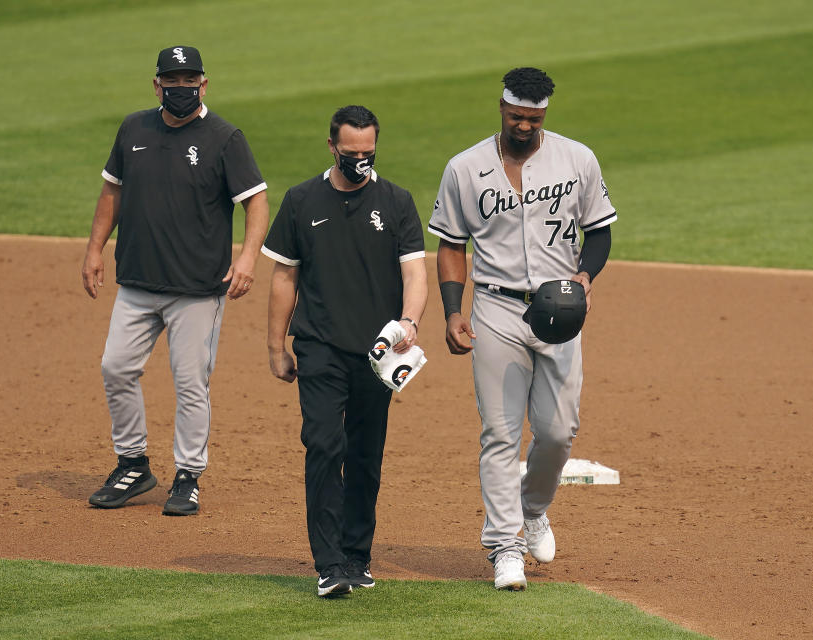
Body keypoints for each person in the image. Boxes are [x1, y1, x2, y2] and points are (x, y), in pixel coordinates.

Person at [428, 67, 616, 590]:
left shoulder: (577, 159)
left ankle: (534, 509)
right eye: (517, 118)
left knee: (558, 431)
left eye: (535, 119)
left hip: (560, 311)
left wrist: (584, 275)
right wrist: (451, 310)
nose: (526, 127)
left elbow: (598, 230)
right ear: (502, 109)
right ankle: (504, 545)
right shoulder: (465, 168)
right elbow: (450, 245)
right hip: (496, 309)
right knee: (500, 433)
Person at [82, 46, 269, 516]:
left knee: (190, 384)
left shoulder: (225, 137)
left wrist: (247, 258)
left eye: (190, 81)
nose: (181, 88)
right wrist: (93, 248)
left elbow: (257, 201)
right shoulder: (134, 128)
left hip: (197, 290)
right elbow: (112, 191)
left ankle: (188, 475)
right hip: (138, 282)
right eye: (172, 80)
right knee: (115, 367)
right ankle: (132, 463)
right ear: (157, 84)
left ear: (203, 84)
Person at [261, 105, 427, 597]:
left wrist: (410, 323)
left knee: (364, 456)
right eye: (351, 152)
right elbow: (284, 277)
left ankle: (357, 556)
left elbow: (414, 272)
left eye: (368, 152)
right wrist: (276, 346)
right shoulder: (301, 200)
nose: (360, 159)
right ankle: (329, 563)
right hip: (320, 348)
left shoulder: (396, 201)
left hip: (378, 355)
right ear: (332, 146)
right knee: (323, 446)